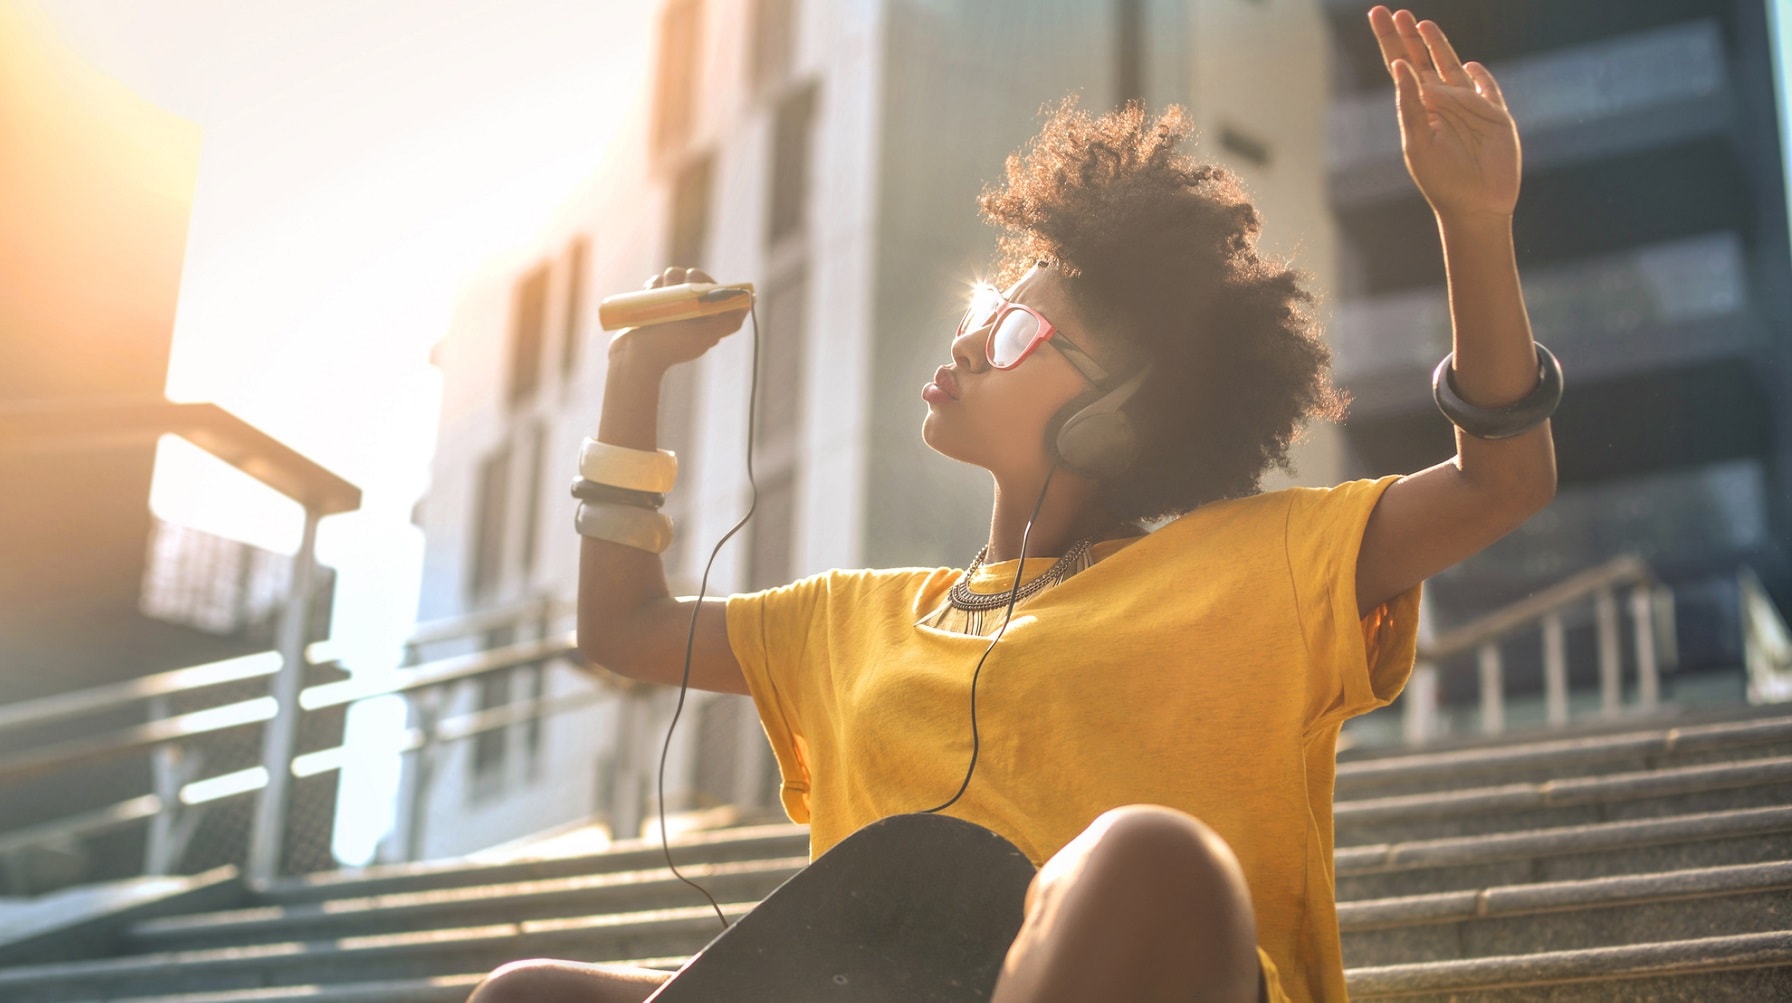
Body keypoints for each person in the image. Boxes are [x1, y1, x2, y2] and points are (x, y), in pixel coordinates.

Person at [470, 6, 1556, 1002]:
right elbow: (621, 626)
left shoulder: (1259, 562)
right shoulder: (848, 621)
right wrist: (631, 382)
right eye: (987, 311)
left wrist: (1475, 221)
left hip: (1151, 968)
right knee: (530, 995)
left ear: (1118, 413)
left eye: (1016, 335)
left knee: (1148, 858)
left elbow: (1501, 481)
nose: (967, 343)